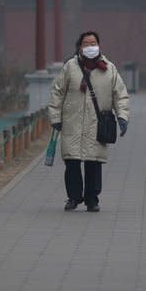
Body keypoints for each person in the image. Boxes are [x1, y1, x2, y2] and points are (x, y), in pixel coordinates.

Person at [48, 31, 130, 212]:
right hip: (72, 123)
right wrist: (55, 117)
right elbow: (57, 92)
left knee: (94, 163)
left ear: (99, 45)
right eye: (86, 43)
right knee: (72, 163)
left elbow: (120, 94)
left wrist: (123, 117)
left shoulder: (109, 68)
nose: (90, 46)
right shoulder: (70, 66)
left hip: (97, 124)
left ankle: (92, 199)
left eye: (93, 42)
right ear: (79, 47)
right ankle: (73, 197)